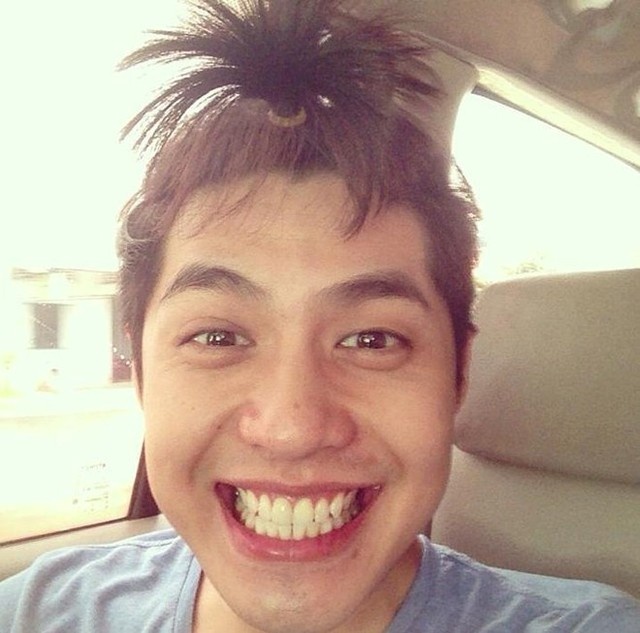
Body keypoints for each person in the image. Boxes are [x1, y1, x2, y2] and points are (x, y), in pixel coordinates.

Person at [1, 1, 639, 631]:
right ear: (141, 373)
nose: (292, 428)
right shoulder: (41, 608)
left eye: (372, 339)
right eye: (217, 336)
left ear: (459, 377)